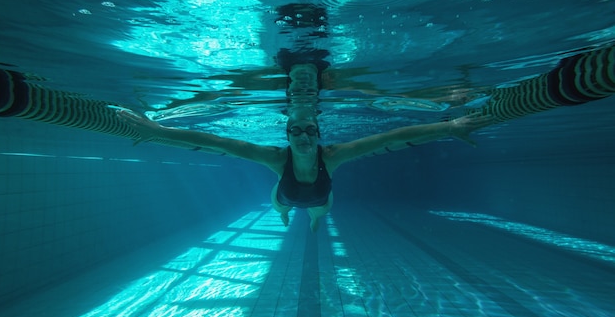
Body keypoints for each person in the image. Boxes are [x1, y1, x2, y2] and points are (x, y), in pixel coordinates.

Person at [118, 78, 492, 231]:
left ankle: (312, 223)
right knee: (281, 209)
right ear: (287, 132)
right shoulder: (274, 157)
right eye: (295, 129)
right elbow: (218, 142)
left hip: (320, 199)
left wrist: (447, 126)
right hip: (283, 195)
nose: (302, 135)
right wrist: (157, 131)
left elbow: (389, 136)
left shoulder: (333, 155)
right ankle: (284, 217)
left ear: (318, 132)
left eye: (309, 129)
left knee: (318, 212)